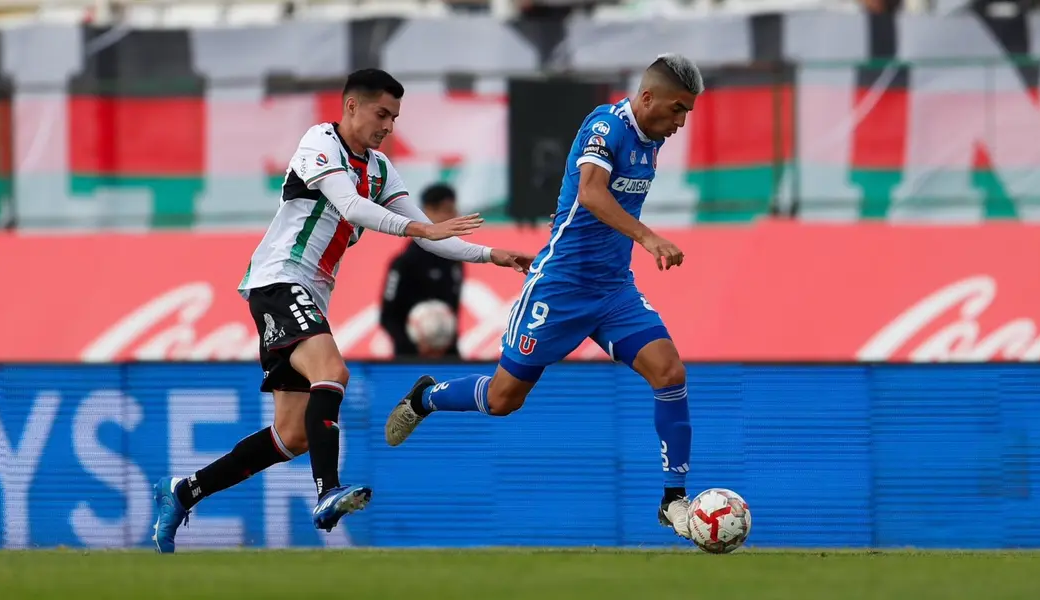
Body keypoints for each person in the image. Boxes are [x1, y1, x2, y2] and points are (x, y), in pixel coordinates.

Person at [151, 68, 534, 553]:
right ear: (351, 106)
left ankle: (183, 491)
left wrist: (492, 255)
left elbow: (427, 232)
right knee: (332, 370)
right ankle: (328, 491)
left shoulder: (379, 169)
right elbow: (353, 209)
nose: (389, 126)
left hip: (311, 295)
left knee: (292, 435)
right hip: (279, 279)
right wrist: (422, 231)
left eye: (394, 117)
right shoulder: (320, 142)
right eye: (382, 113)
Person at [383, 54, 702, 537]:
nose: (681, 122)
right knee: (504, 398)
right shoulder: (605, 125)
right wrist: (648, 237)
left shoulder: (651, 142)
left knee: (670, 371)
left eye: (688, 113)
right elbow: (592, 194)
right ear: (648, 97)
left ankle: (673, 499)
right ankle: (427, 397)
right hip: (560, 288)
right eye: (677, 109)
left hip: (613, 290)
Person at [379, 183, 465, 358]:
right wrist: (413, 348)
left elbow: (453, 310)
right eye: (447, 211)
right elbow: (387, 316)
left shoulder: (455, 261)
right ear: (427, 213)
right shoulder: (404, 263)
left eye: (454, 210)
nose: (455, 217)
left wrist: (445, 344)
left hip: (447, 354)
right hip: (409, 356)